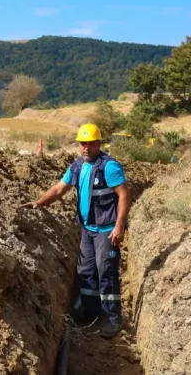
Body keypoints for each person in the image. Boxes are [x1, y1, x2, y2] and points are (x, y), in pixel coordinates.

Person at [20, 123, 132, 339]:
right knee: (87, 271)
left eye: (91, 143)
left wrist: (119, 225)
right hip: (87, 229)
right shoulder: (78, 166)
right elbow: (59, 189)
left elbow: (124, 195)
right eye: (83, 143)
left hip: (106, 230)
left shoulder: (109, 167)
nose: (86, 148)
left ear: (99, 143)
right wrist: (39, 203)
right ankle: (91, 312)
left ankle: (112, 318)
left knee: (105, 272)